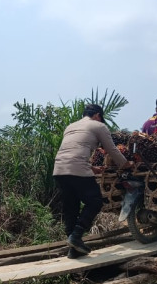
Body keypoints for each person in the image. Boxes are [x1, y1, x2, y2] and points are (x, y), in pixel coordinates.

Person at [53, 104, 131, 258]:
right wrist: (125, 164)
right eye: (101, 118)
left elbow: (73, 150)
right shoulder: (98, 126)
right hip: (77, 168)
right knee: (95, 201)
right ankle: (76, 235)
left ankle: (73, 250)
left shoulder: (70, 126)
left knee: (71, 208)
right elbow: (111, 149)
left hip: (59, 169)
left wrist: (92, 168)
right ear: (97, 115)